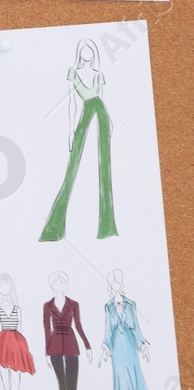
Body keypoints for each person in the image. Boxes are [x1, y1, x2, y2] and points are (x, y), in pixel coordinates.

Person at [39, 39, 118, 241]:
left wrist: (109, 123)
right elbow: (71, 103)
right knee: (74, 168)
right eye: (83, 50)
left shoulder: (99, 75)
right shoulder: (72, 72)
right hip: (85, 116)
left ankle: (106, 227)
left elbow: (104, 101)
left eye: (89, 50)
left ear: (94, 53)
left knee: (103, 167)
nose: (86, 53)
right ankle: (57, 227)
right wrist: (69, 130)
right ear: (78, 53)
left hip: (100, 116)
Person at [99, 269, 173, 390]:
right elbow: (107, 330)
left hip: (131, 350)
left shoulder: (131, 304)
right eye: (113, 282)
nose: (116, 285)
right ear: (110, 285)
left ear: (121, 284)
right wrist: (104, 350)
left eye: (118, 282)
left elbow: (137, 328)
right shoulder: (107, 307)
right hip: (116, 350)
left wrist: (144, 346)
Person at [44, 271, 92, 390]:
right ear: (53, 285)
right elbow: (46, 328)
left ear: (66, 285)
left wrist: (87, 346)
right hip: (55, 348)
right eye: (57, 283)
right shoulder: (47, 306)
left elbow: (78, 325)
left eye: (63, 282)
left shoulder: (74, 304)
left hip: (72, 348)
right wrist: (46, 352)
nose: (60, 286)